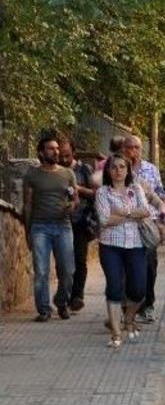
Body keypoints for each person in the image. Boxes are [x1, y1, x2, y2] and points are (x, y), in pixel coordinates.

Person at [94, 154, 151, 347]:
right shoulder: (103, 192)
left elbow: (145, 211)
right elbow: (104, 220)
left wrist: (120, 213)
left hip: (135, 244)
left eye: (122, 167)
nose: (118, 171)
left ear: (128, 170)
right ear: (108, 171)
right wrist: (131, 215)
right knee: (114, 286)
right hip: (110, 245)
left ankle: (128, 318)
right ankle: (116, 334)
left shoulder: (135, 190)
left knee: (138, 289)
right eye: (114, 167)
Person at [23, 134, 78, 322]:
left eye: (57, 148)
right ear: (41, 152)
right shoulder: (32, 174)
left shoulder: (68, 173)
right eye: (50, 148)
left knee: (68, 270)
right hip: (40, 227)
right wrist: (27, 231)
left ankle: (62, 301)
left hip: (63, 226)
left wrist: (72, 205)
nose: (56, 151)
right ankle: (44, 310)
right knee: (41, 271)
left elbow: (74, 198)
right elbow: (27, 204)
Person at [123, 135, 165, 324]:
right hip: (123, 228)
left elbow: (159, 195)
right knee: (125, 268)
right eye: (129, 147)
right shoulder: (116, 168)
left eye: (136, 147)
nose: (133, 151)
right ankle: (128, 307)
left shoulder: (151, 170)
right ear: (123, 149)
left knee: (149, 266)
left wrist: (162, 222)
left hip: (148, 226)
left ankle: (148, 305)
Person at [58, 139, 97, 312]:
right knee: (64, 262)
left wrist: (77, 189)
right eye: (61, 156)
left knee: (80, 259)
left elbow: (96, 193)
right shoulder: (55, 170)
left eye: (67, 155)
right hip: (60, 220)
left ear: (73, 153)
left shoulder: (84, 169)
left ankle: (77, 296)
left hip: (81, 220)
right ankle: (64, 295)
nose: (64, 159)